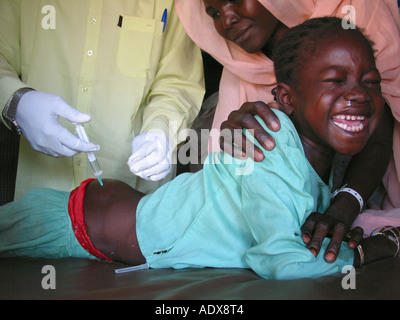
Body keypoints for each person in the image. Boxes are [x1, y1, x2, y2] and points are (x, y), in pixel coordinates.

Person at [1, 17, 399, 280]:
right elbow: (281, 259)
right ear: (286, 98)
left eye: (370, 82)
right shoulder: (266, 148)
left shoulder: (310, 152)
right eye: (335, 80)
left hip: (109, 209)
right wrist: (368, 252)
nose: (359, 96)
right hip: (82, 224)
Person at [175, 0, 400, 263]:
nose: (227, 21)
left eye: (236, 0)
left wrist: (344, 206)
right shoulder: (239, 69)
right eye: (214, 13)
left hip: (364, 189)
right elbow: (230, 202)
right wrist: (232, 148)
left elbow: (379, 127)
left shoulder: (353, 11)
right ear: (284, 96)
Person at [0, 1, 205, 200]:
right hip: (41, 193)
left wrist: (162, 130)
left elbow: (177, 82)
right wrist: (16, 101)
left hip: (136, 199)